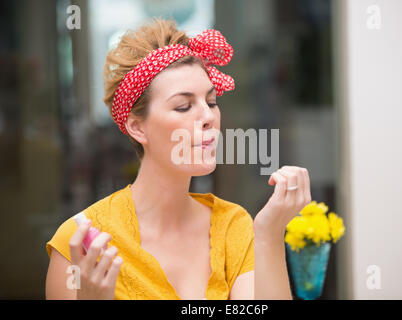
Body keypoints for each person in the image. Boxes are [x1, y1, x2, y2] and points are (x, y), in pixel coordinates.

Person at [45, 18, 311, 300]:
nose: (208, 117)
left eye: (211, 102)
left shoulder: (233, 226)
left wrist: (269, 234)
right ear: (137, 127)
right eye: (183, 107)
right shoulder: (82, 244)